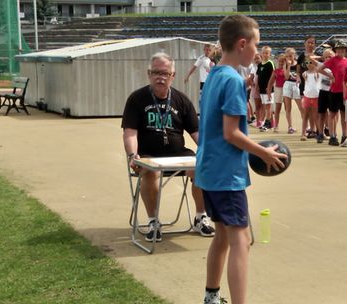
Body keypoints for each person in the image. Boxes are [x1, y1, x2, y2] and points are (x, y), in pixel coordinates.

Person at [195, 15, 286, 304]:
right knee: (241, 240)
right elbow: (231, 132)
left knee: (221, 236)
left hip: (209, 172)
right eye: (256, 45)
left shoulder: (215, 75)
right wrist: (264, 152)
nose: (257, 52)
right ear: (242, 43)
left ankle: (211, 297)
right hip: (226, 175)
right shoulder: (232, 80)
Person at [122, 52, 215, 242]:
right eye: (156, 72)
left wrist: (210, 151)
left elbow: (196, 133)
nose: (160, 77)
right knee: (149, 171)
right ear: (149, 74)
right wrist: (133, 155)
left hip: (177, 153)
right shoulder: (136, 99)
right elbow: (130, 132)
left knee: (202, 166)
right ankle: (153, 221)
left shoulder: (181, 100)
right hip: (148, 154)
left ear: (173, 76)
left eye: (165, 73)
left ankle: (200, 217)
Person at [323, 40, 347, 146]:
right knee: (332, 114)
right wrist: (330, 76)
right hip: (334, 91)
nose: (341, 51)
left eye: (343, 50)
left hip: (344, 92)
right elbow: (320, 68)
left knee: (344, 115)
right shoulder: (332, 60)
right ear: (336, 50)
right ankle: (332, 135)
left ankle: (344, 135)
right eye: (339, 50)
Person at [282, 47, 304, 134]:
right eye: (287, 56)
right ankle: (290, 126)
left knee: (301, 107)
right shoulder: (285, 65)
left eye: (290, 56)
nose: (289, 58)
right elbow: (286, 77)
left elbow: (300, 73)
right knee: (288, 108)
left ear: (294, 55)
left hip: (296, 85)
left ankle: (306, 126)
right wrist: (288, 66)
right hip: (287, 85)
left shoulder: (298, 63)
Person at [300, 58, 322, 141]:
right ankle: (303, 133)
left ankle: (319, 133)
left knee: (316, 116)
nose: (309, 64)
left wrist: (314, 61)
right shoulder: (304, 73)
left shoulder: (318, 73)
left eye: (311, 62)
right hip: (307, 96)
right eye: (307, 62)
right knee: (306, 116)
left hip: (316, 96)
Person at [267, 53, 289, 133]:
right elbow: (270, 83)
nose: (281, 63)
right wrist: (269, 93)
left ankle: (290, 126)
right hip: (278, 89)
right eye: (280, 61)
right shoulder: (275, 71)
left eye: (283, 61)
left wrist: (286, 67)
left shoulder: (287, 70)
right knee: (277, 109)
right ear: (277, 61)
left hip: (286, 89)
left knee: (287, 109)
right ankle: (276, 126)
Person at [317, 49, 334, 143]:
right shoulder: (321, 65)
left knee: (332, 115)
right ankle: (320, 133)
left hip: (332, 92)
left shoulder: (335, 66)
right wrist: (320, 57)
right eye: (326, 57)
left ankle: (332, 133)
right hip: (323, 91)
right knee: (321, 114)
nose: (328, 58)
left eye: (330, 56)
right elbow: (308, 60)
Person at [257, 46, 276, 132]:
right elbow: (258, 76)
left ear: (270, 54)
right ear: (261, 53)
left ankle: (267, 124)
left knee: (268, 107)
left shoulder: (270, 63)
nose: (265, 55)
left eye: (267, 53)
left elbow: (273, 76)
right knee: (265, 106)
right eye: (264, 53)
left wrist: (269, 87)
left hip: (268, 89)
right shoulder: (260, 64)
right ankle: (271, 123)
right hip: (261, 89)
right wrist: (257, 86)